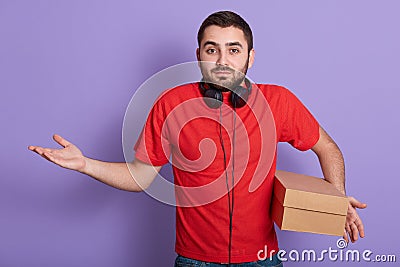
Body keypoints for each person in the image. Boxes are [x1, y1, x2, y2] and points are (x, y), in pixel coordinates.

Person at [28, 11, 366, 267]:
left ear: (250, 57)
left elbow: (328, 148)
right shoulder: (171, 103)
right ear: (199, 54)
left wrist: (336, 202)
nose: (222, 60)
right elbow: (140, 176)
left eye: (234, 50)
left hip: (263, 258)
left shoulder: (279, 102)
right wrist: (86, 164)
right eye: (212, 49)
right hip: (194, 261)